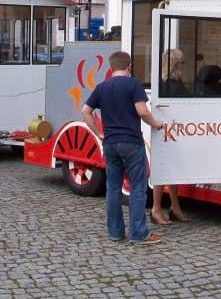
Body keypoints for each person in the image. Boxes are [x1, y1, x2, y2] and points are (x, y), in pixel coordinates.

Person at [82, 50, 165, 245]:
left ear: (111, 68)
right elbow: (142, 111)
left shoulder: (102, 87)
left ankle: (115, 233)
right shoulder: (133, 84)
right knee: (137, 188)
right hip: (131, 142)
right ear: (129, 67)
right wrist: (156, 124)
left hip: (110, 143)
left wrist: (98, 133)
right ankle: (138, 234)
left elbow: (85, 112)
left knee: (113, 188)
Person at [151, 49, 191, 225]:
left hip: (173, 129)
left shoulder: (166, 82)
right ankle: (156, 209)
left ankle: (174, 207)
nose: (183, 65)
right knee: (163, 170)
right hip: (169, 130)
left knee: (172, 171)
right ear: (176, 64)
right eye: (181, 62)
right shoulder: (173, 85)